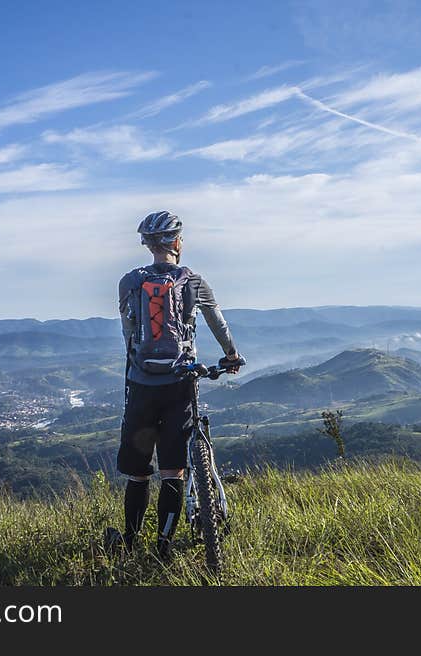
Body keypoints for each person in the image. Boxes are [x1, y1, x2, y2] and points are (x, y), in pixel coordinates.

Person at [107, 210, 242, 560]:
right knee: (173, 472)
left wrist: (138, 366)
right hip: (180, 384)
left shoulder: (129, 282)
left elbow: (128, 333)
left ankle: (130, 544)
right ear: (177, 242)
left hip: (140, 385)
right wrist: (231, 355)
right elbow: (218, 323)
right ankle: (163, 547)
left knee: (138, 475)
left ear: (148, 244)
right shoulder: (193, 281)